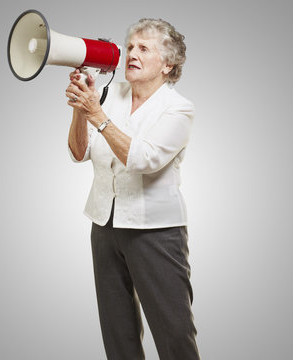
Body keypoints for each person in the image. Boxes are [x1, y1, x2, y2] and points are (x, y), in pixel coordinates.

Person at [66, 18, 200, 360]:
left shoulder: (178, 108)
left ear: (167, 64)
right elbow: (78, 152)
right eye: (129, 47)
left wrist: (96, 114)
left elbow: (143, 159)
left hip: (154, 232)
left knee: (173, 333)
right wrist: (82, 111)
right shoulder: (111, 95)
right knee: (118, 332)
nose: (131, 54)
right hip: (105, 225)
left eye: (143, 48)